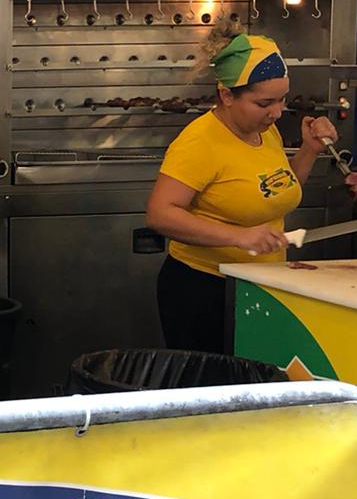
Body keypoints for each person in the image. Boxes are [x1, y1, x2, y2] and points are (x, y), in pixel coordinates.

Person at [145, 31, 338, 353]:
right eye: (264, 103)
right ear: (226, 95)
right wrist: (239, 236)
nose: (277, 112)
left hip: (260, 284)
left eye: (282, 99)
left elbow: (275, 191)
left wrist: (309, 150)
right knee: (217, 382)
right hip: (205, 290)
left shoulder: (265, 130)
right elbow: (159, 214)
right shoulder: (200, 142)